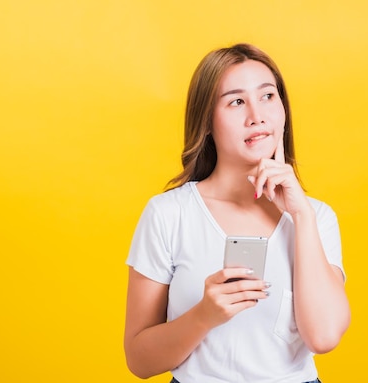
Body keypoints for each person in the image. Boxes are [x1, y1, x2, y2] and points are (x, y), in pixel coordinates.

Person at [124, 43, 350, 383]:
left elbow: (324, 337)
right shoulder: (169, 214)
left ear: (284, 111)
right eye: (236, 101)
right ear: (208, 121)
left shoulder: (315, 217)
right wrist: (204, 315)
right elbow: (139, 360)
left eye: (268, 96)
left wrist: (301, 215)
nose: (257, 116)